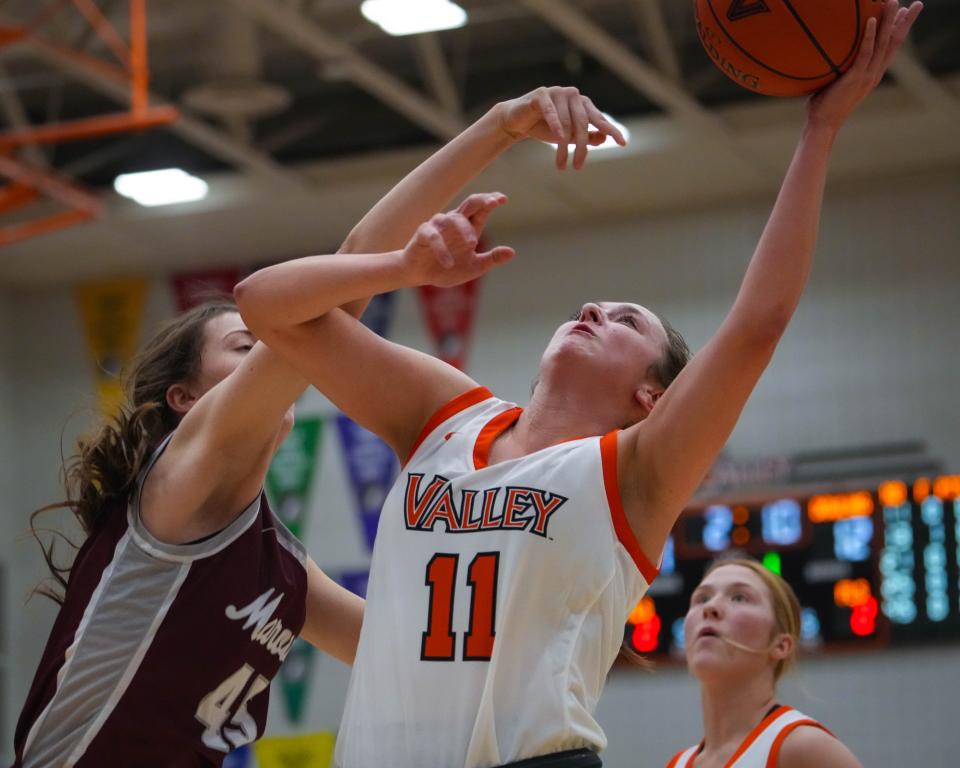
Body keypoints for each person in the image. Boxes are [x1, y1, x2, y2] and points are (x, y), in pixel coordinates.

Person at [235, 3, 921, 766]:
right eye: (588, 307)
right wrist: (487, 140)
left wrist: (819, 132)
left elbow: (760, 320)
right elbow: (264, 304)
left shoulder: (635, 471)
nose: (595, 308)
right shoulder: (446, 414)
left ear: (653, 397)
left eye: (627, 321)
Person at [8, 85, 527, 765]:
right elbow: (349, 266)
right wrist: (497, 126)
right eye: (246, 347)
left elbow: (407, 655)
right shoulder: (180, 482)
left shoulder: (279, 567)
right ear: (186, 401)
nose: (281, 352)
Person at [667, 559, 862, 768]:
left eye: (739, 597)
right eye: (702, 598)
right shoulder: (677, 764)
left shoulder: (804, 747)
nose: (711, 607)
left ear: (781, 645)